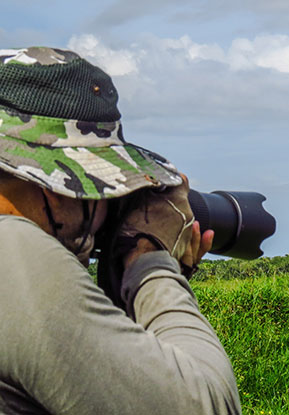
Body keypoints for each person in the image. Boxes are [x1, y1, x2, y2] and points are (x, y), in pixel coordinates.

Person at [0, 46, 242, 414]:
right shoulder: (12, 248)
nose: (104, 208)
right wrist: (150, 263)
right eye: (95, 188)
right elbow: (204, 406)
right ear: (47, 184)